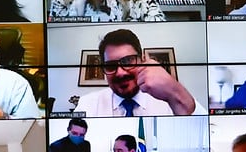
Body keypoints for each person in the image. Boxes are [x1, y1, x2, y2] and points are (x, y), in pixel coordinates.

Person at [74, 28, 204, 117]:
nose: (120, 73)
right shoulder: (87, 104)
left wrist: (174, 90)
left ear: (142, 60)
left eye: (128, 61)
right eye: (111, 66)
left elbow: (206, 131)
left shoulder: (168, 100)